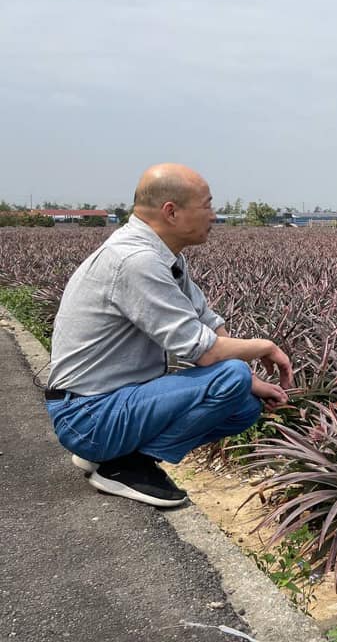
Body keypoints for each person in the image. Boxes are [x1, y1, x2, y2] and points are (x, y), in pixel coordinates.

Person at [44, 163, 292, 507]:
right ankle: (124, 466)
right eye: (206, 205)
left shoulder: (164, 256)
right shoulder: (136, 260)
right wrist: (264, 346)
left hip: (112, 402)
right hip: (87, 414)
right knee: (232, 375)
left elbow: (205, 319)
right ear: (171, 212)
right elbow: (201, 350)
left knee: (244, 406)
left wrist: (253, 380)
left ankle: (113, 455)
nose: (214, 215)